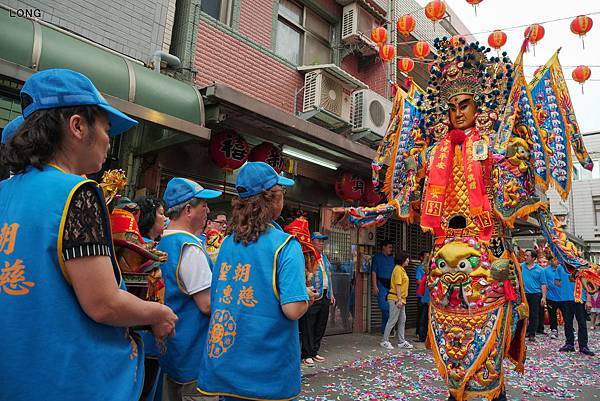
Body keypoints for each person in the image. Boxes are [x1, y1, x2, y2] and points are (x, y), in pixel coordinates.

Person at [0, 68, 177, 401]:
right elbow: (104, 303)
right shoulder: (78, 192)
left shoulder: (4, 192)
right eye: (107, 128)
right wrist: (159, 312)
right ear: (78, 126)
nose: (110, 140)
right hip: (66, 380)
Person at [198, 161, 313, 401]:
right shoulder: (286, 245)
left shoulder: (227, 242)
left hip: (226, 365)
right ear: (272, 200)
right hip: (267, 371)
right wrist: (306, 297)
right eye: (281, 193)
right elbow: (292, 309)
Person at [158, 177, 222, 400]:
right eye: (203, 204)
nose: (207, 210)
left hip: (171, 347)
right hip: (192, 350)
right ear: (188, 209)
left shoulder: (161, 241)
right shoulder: (189, 247)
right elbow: (206, 305)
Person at [300, 232, 335, 366]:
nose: (321, 243)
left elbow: (328, 276)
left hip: (325, 295)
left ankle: (314, 351)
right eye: (319, 241)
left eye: (322, 241)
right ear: (311, 242)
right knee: (308, 325)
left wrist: (332, 293)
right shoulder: (308, 257)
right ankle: (306, 354)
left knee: (321, 325)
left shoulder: (324, 258)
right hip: (313, 295)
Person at [556, 263, 595, 356]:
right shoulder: (560, 267)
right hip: (565, 299)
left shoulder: (581, 268)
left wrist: (588, 300)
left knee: (582, 322)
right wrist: (566, 286)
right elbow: (556, 281)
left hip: (580, 299)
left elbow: (588, 285)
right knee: (568, 322)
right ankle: (569, 344)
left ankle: (583, 346)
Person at [381, 252, 412, 350]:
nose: (408, 260)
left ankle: (402, 341)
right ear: (403, 259)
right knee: (393, 320)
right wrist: (399, 299)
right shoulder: (398, 269)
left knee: (402, 320)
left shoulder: (401, 270)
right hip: (396, 298)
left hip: (401, 299)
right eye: (407, 258)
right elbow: (398, 285)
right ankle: (385, 341)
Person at [521, 249, 547, 342]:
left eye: (527, 256)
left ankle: (532, 334)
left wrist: (543, 297)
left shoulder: (540, 270)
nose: (525, 257)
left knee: (534, 314)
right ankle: (523, 332)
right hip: (523, 294)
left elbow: (543, 284)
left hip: (535, 294)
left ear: (533, 258)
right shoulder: (520, 267)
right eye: (525, 255)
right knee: (522, 314)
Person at [371, 240, 395, 333]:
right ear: (383, 247)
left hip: (392, 285)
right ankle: (387, 329)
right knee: (384, 307)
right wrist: (374, 285)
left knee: (391, 308)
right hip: (381, 284)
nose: (391, 249)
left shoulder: (392, 259)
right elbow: (374, 272)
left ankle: (385, 330)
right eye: (389, 247)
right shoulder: (376, 258)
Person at [544, 254, 563, 339]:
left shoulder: (562, 269)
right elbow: (544, 282)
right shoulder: (546, 271)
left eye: (556, 259)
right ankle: (554, 330)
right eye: (553, 259)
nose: (555, 261)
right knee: (552, 315)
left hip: (563, 297)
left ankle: (570, 329)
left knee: (567, 314)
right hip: (551, 297)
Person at [415, 251, 430, 342]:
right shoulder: (425, 273)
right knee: (423, 319)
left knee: (425, 319)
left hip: (427, 299)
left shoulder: (429, 274)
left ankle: (424, 337)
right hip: (425, 299)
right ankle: (422, 337)